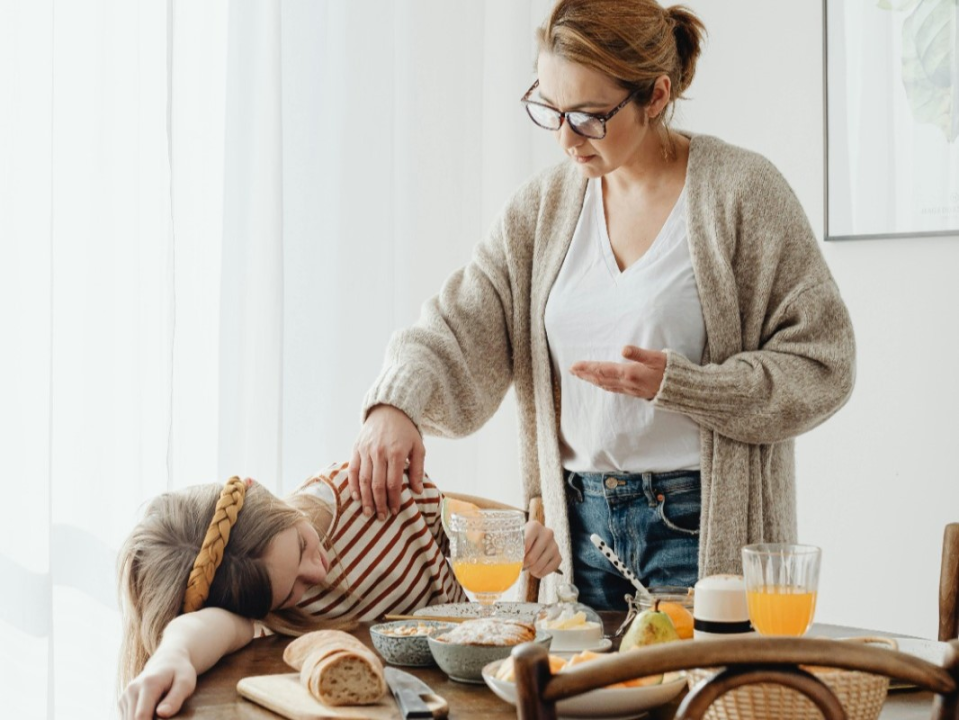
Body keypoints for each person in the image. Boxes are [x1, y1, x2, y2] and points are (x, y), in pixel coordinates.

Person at [350, 0, 856, 611]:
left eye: (589, 116)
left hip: (698, 526)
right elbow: (463, 320)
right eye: (550, 108)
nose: (565, 138)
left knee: (700, 705)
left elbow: (824, 362)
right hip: (577, 529)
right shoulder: (542, 211)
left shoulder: (741, 193)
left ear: (657, 95)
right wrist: (395, 403)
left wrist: (687, 386)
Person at [117, 463, 560, 720]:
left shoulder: (369, 489)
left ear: (261, 492)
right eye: (292, 589)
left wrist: (523, 541)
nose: (318, 571)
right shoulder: (256, 600)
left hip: (485, 689)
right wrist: (173, 653)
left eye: (302, 545)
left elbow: (469, 535)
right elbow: (208, 627)